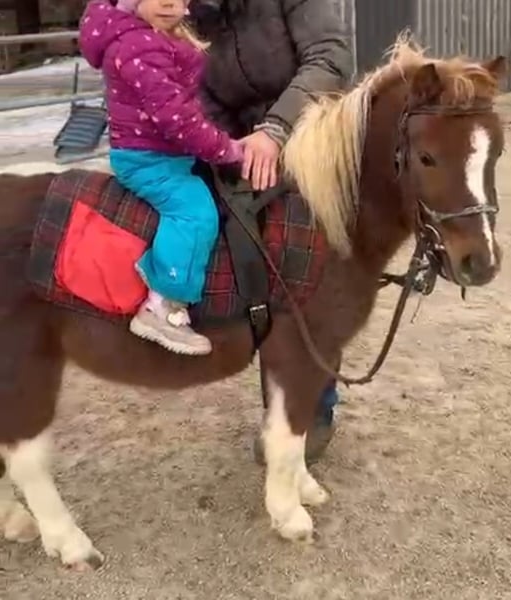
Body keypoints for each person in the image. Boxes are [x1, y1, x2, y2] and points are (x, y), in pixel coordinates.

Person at [188, 0, 354, 462]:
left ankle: (314, 406)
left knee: (312, 277)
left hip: (314, 135)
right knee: (255, 275)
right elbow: (203, 94)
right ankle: (278, 403)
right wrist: (227, 151)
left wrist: (276, 129)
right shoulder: (194, 14)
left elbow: (330, 58)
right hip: (247, 151)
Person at [79, 0, 244, 356]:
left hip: (166, 153)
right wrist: (223, 148)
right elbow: (176, 117)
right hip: (148, 159)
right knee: (194, 212)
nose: (170, 2)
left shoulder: (157, 36)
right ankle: (162, 305)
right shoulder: (138, 46)